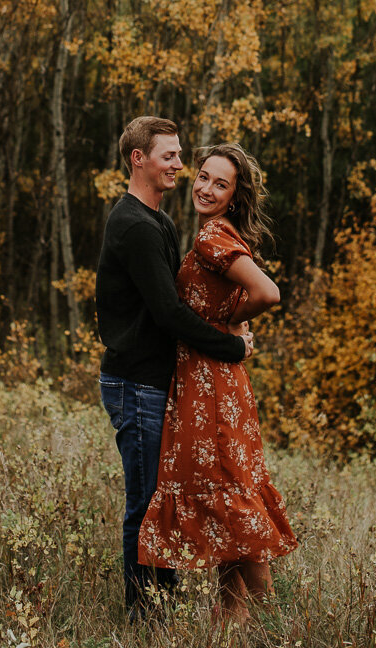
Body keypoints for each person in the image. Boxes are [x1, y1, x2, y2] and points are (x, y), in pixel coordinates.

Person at [95, 117, 252, 618]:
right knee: (145, 503)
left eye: (181, 155)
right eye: (170, 156)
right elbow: (169, 313)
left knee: (163, 499)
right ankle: (145, 616)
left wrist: (228, 320)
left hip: (154, 381)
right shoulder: (134, 226)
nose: (181, 165)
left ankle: (163, 604)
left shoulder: (158, 222)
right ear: (138, 158)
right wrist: (231, 347)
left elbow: (183, 301)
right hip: (134, 382)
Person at [138, 141, 297, 624]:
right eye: (203, 177)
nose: (205, 188)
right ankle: (248, 618)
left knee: (226, 492)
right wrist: (228, 320)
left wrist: (231, 320)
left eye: (219, 183)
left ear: (234, 195)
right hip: (216, 382)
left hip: (211, 385)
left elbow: (266, 292)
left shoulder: (213, 237)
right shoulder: (215, 233)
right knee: (228, 491)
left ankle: (252, 618)